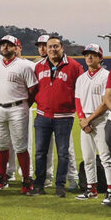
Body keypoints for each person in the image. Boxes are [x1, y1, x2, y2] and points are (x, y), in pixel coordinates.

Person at [32, 36, 84, 197]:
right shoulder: (38, 66)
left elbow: (80, 91)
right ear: (46, 49)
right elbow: (33, 89)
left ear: (62, 48)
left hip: (64, 117)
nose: (52, 49)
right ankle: (39, 184)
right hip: (42, 115)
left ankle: (60, 185)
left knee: (63, 153)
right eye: (50, 47)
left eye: (56, 46)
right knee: (40, 152)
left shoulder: (74, 66)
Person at [0, 35, 37, 194]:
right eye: (3, 45)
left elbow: (33, 89)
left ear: (16, 48)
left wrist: (24, 105)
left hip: (18, 107)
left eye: (9, 45)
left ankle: (26, 180)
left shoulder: (24, 65)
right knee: (1, 145)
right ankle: (1, 178)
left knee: (21, 146)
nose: (5, 47)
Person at [74, 44, 111, 201]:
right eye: (87, 54)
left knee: (106, 157)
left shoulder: (106, 75)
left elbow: (105, 102)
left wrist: (88, 120)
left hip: (101, 120)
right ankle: (91, 189)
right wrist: (82, 120)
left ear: (100, 58)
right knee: (88, 157)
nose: (89, 57)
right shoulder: (81, 78)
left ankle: (110, 190)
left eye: (93, 55)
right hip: (85, 121)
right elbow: (78, 100)